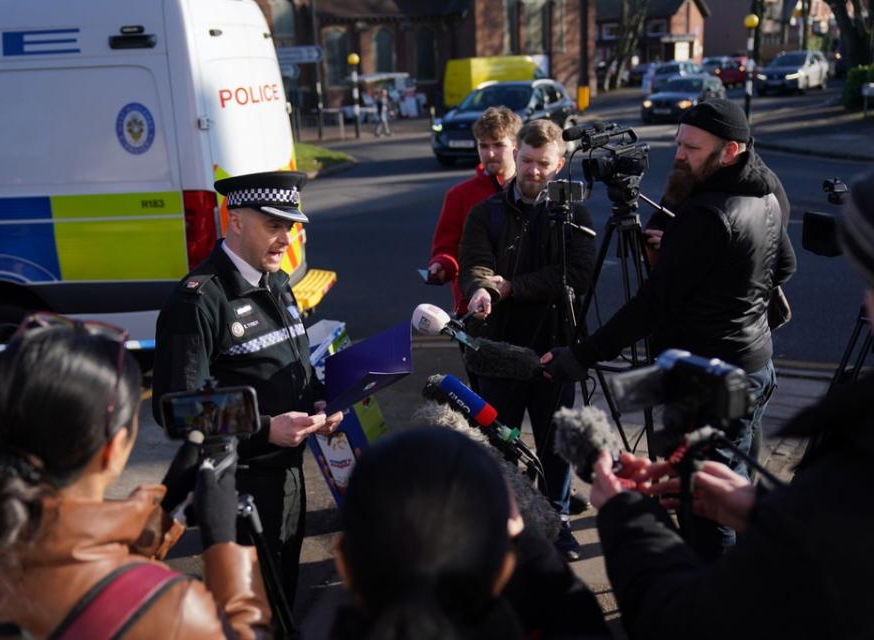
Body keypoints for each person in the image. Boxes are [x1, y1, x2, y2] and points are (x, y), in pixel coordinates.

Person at [585, 171, 874, 640]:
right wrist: (766, 512)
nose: (865, 304)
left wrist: (624, 516)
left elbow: (687, 621)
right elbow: (845, 544)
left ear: (729, 149)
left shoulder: (855, 460)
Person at [544, 99, 796, 561]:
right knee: (734, 490)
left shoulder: (708, 217)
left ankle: (713, 607)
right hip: (756, 366)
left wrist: (579, 356)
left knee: (704, 513)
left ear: (730, 150)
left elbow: (651, 306)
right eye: (678, 142)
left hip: (709, 384)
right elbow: (784, 264)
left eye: (692, 148)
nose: (679, 154)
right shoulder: (767, 191)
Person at [0, 314, 271, 639]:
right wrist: (224, 543)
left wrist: (165, 508)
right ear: (114, 447)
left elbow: (77, 569)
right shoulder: (172, 607)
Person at [153, 170, 343, 605]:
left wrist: (319, 399)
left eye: (291, 227)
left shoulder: (276, 281)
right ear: (235, 221)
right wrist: (264, 429)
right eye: (274, 225)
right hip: (238, 488)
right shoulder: (198, 301)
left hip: (290, 477)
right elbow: (174, 410)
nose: (286, 239)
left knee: (284, 603)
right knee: (253, 614)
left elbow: (296, 361)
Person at [459, 118, 596, 560]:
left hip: (556, 346)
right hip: (499, 350)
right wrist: (481, 289)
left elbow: (576, 274)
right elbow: (475, 265)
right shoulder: (485, 212)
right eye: (528, 160)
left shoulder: (576, 212)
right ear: (515, 154)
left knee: (556, 443)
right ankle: (509, 524)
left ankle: (557, 525)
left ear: (558, 165)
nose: (534, 171)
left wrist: (511, 286)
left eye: (544, 164)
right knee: (502, 441)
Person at [330, 427, 611, 640]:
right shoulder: (560, 612)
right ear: (505, 568)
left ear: (343, 561)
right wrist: (529, 544)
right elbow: (577, 618)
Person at [428, 106, 522, 315]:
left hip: (522, 303)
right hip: (473, 305)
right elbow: (447, 248)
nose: (490, 153)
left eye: (498, 145)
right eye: (483, 146)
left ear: (516, 146)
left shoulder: (529, 191)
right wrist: (442, 266)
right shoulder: (458, 195)